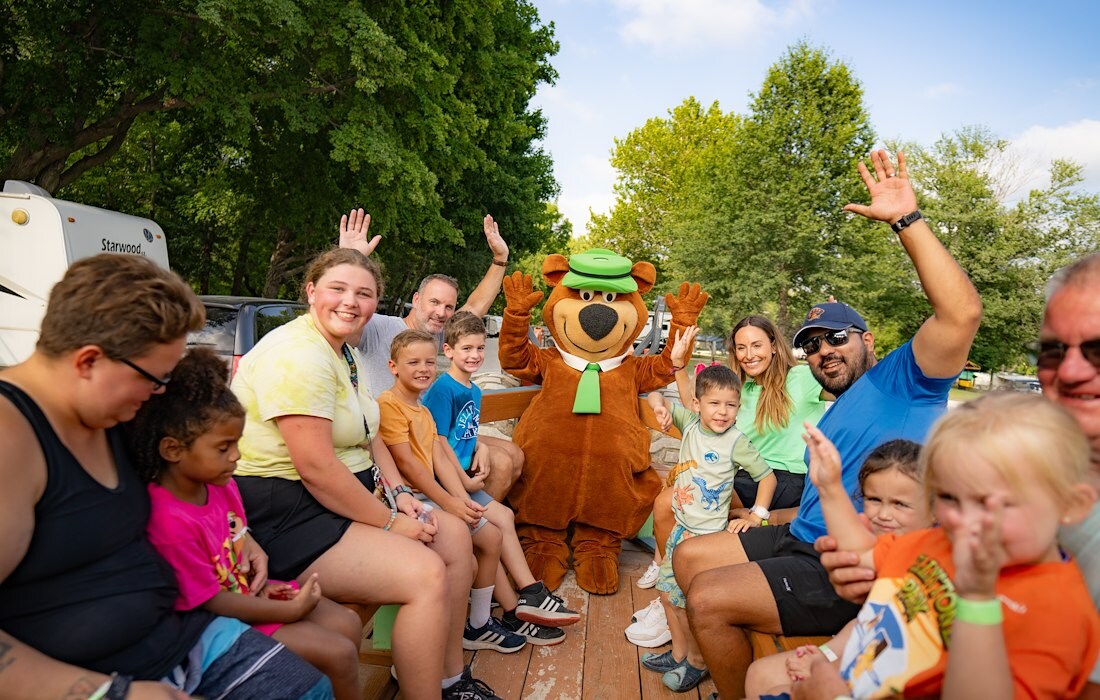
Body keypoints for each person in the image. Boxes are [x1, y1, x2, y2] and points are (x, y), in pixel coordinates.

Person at [672, 150, 983, 698]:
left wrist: (906, 221)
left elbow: (960, 315)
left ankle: (733, 676)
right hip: (801, 535)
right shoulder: (836, 407)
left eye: (836, 337)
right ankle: (710, 656)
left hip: (851, 563)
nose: (823, 351)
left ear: (868, 340)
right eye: (812, 346)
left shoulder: (904, 378)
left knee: (709, 597)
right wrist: (765, 511)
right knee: (688, 554)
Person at [0, 254, 331, 699]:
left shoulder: (114, 415)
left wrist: (241, 533)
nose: (160, 392)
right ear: (88, 362)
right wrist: (104, 692)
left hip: (177, 636)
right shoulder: (12, 439)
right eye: (154, 378)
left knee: (310, 689)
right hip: (88, 680)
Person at [813, 251, 1100, 700]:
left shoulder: (1056, 605)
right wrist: (831, 491)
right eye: (1052, 350)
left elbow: (960, 312)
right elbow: (870, 562)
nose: (1072, 370)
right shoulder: (943, 538)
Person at [231, 248, 501, 699]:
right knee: (425, 572)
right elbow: (316, 468)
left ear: (379, 303)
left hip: (334, 506)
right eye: (337, 289)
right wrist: (394, 523)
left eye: (364, 293)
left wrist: (398, 493)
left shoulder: (342, 353)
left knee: (453, 535)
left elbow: (366, 429)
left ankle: (448, 677)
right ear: (311, 291)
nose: (350, 302)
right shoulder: (300, 356)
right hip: (289, 516)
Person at [799, 394, 1098, 698]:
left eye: (994, 504)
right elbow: (861, 559)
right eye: (948, 497)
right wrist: (830, 487)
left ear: (1071, 504)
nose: (963, 521)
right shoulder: (938, 542)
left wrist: (978, 599)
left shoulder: (1061, 617)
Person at [126, 348, 362, 699]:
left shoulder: (220, 486)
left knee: (348, 623)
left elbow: (237, 536)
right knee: (338, 653)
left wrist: (262, 581)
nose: (236, 456)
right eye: (223, 448)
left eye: (237, 443)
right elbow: (211, 602)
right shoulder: (168, 520)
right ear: (173, 450)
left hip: (246, 594)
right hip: (219, 619)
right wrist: (288, 608)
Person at [338, 208, 523, 502]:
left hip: (435, 433)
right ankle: (474, 526)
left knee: (513, 453)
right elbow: (345, 320)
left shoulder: (438, 337)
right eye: (434, 302)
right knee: (499, 464)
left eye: (448, 307)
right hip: (396, 441)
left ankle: (478, 529)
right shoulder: (379, 328)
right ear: (415, 301)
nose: (441, 312)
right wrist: (349, 259)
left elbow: (475, 309)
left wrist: (500, 259)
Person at [422, 312, 580, 645]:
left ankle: (528, 596)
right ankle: (527, 597)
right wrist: (463, 485)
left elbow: (461, 431)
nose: (475, 355)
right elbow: (436, 441)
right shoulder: (442, 389)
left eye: (480, 348)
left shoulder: (473, 390)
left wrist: (478, 445)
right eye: (466, 348)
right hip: (445, 483)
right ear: (448, 350)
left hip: (463, 475)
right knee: (496, 525)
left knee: (504, 516)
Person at [744, 439, 930, 698]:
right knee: (760, 674)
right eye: (874, 499)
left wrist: (827, 666)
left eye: (900, 504)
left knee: (782, 688)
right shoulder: (894, 550)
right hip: (865, 653)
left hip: (889, 676)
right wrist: (825, 654)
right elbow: (866, 622)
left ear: (935, 509)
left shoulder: (930, 563)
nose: (884, 514)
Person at [639, 345, 776, 692]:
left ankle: (698, 663)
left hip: (708, 541)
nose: (723, 412)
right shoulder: (689, 423)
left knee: (688, 600)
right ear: (697, 405)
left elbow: (767, 478)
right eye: (714, 403)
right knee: (669, 596)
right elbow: (657, 394)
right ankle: (681, 653)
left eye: (731, 405)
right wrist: (659, 407)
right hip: (681, 530)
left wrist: (758, 515)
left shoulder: (736, 442)